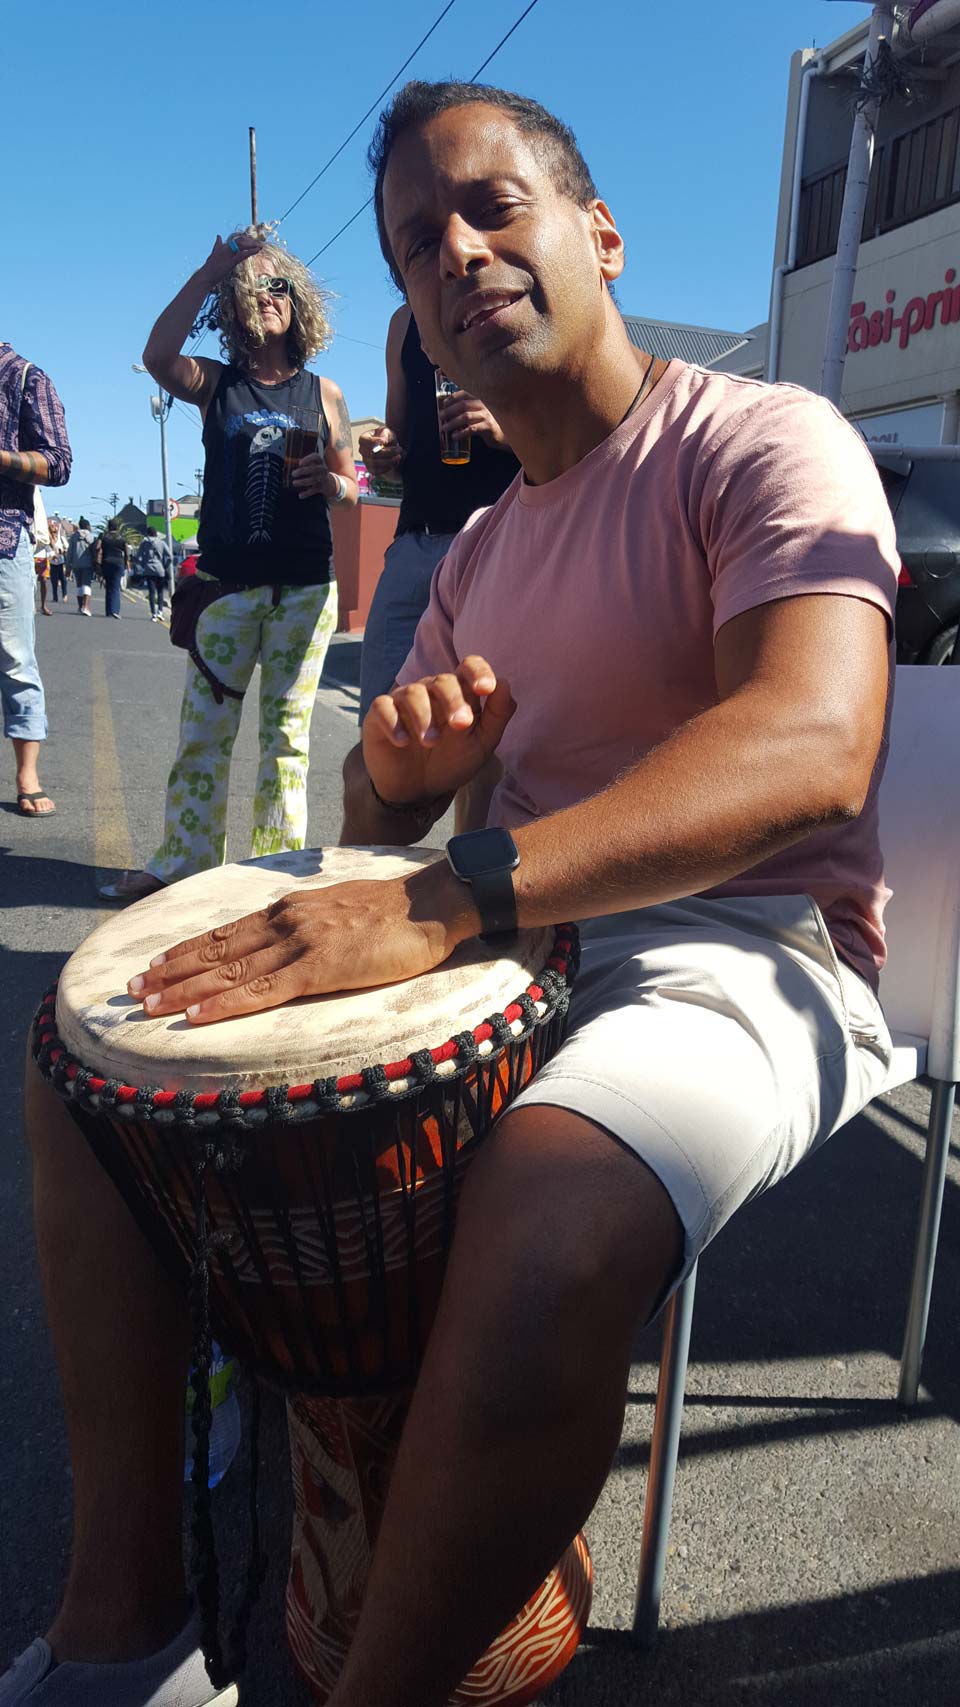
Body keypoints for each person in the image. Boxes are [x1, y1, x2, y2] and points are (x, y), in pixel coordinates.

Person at [12, 81, 901, 1707]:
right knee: (91, 1065)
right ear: (414, 317)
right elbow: (379, 828)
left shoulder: (766, 439)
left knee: (549, 1216)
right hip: (509, 932)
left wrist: (442, 891)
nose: (458, 255)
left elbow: (811, 747)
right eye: (421, 245)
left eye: (495, 206)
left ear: (601, 235)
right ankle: (126, 1617)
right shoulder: (482, 551)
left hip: (744, 945)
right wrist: (401, 789)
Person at [98, 227, 357, 904]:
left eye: (279, 285)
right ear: (234, 305)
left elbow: (353, 485)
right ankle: (184, 866)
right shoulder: (217, 383)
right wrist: (212, 270)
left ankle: (273, 878)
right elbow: (157, 355)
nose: (266, 295)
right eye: (251, 287)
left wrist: (333, 484)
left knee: (287, 742)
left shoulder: (326, 394)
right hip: (226, 590)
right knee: (204, 736)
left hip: (306, 590)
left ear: (298, 301)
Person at [357, 305, 517, 719]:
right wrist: (382, 453)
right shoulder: (403, 323)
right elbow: (398, 447)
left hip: (497, 542)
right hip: (414, 543)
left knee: (488, 718)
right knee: (381, 716)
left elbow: (567, 435)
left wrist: (503, 429)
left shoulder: (503, 302)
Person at [0, 342, 71, 817]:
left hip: (3, 539)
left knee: (14, 658)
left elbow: (58, 463)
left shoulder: (25, 377)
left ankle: (27, 774)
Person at [95, 519, 129, 619]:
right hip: (118, 563)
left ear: (108, 527)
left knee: (108, 587)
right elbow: (126, 552)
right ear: (117, 527)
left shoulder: (104, 537)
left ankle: (108, 611)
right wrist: (126, 562)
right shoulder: (121, 538)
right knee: (115, 587)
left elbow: (97, 547)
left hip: (106, 563)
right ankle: (115, 610)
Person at [135, 529, 172, 620]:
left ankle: (153, 613)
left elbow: (138, 557)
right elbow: (170, 556)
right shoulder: (161, 543)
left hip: (148, 569)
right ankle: (160, 612)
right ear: (156, 534)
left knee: (151, 592)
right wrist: (165, 566)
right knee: (160, 592)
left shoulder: (144, 543)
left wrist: (143, 565)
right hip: (160, 569)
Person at [66, 516, 95, 614]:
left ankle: (80, 607)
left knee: (79, 585)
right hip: (88, 564)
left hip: (76, 564)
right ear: (87, 526)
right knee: (86, 584)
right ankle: (86, 607)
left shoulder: (74, 537)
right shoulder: (90, 536)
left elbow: (69, 553)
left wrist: (68, 567)